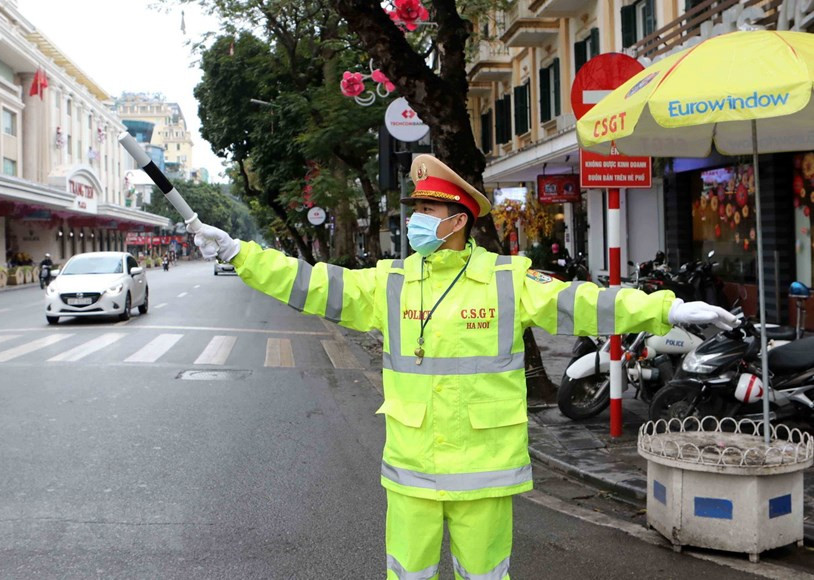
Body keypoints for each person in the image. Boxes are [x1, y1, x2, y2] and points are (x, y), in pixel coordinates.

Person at [190, 154, 737, 579]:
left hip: (484, 472)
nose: (415, 221)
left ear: (457, 219)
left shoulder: (507, 279)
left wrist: (667, 308)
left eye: (426, 212)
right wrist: (241, 253)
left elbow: (583, 301)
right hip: (413, 469)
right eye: (415, 211)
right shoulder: (392, 282)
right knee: (408, 573)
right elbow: (312, 284)